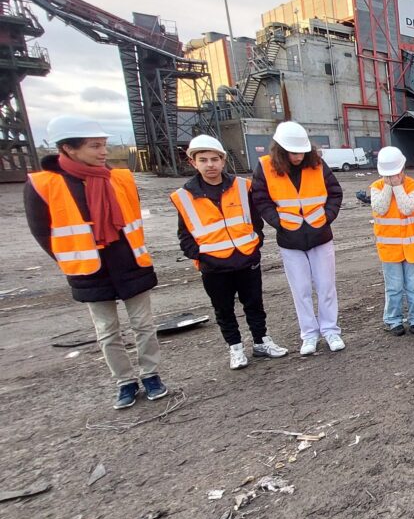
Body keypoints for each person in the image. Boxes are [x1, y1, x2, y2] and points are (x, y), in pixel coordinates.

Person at [25, 115, 168, 409]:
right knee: (107, 330)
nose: (103, 152)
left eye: (104, 145)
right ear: (68, 149)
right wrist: (71, 258)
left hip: (129, 262)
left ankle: (151, 375)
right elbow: (42, 230)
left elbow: (132, 218)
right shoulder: (45, 185)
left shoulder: (120, 179)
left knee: (143, 324)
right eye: (95, 146)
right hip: (89, 268)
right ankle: (125, 381)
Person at [170, 134, 288, 369]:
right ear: (193, 163)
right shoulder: (184, 197)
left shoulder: (242, 187)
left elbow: (256, 222)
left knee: (254, 304)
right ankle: (235, 348)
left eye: (215, 159)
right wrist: (200, 255)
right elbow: (185, 234)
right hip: (214, 266)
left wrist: (254, 247)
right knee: (223, 309)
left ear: (223, 161)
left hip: (246, 260)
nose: (210, 165)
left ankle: (261, 342)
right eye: (203, 160)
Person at [251, 121, 344, 355]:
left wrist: (326, 217)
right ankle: (309, 335)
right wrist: (279, 223)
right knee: (300, 289)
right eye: (293, 153)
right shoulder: (265, 167)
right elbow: (261, 200)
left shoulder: (317, 165)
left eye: (302, 152)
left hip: (320, 235)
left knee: (326, 286)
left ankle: (330, 330)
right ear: (281, 150)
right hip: (290, 240)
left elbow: (335, 193)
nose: (298, 157)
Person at [369, 146, 414, 336]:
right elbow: (381, 208)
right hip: (390, 250)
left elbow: (407, 207)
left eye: (395, 174)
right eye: (388, 175)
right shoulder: (377, 187)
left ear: (402, 170)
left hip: (412, 248)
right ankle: (393, 320)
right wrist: (388, 186)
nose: (392, 177)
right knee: (393, 288)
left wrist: (398, 187)